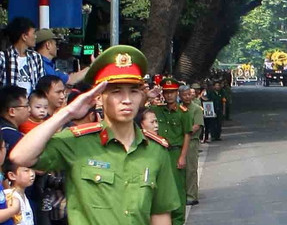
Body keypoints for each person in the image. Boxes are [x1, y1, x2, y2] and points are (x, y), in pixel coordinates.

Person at [9, 45, 179, 225]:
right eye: (116, 92)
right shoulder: (76, 142)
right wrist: (66, 113)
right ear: (98, 97)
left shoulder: (155, 149)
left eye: (134, 91)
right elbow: (20, 156)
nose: (127, 99)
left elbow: (160, 214)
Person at [150, 78, 192, 225]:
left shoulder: (183, 112)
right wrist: (149, 95)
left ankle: (178, 220)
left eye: (172, 92)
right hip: (160, 153)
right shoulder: (156, 110)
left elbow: (187, 134)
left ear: (177, 93)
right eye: (167, 92)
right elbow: (139, 113)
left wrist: (182, 157)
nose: (169, 96)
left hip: (175, 152)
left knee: (178, 188)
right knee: (159, 187)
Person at [0, 19, 44, 94]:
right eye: (33, 33)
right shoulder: (3, 57)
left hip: (32, 104)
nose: (35, 37)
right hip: (11, 103)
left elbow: (41, 84)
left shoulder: (36, 57)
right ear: (24, 36)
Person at [179, 86, 203, 206]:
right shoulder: (178, 109)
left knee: (191, 169)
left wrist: (185, 133)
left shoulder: (196, 109)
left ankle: (192, 195)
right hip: (179, 142)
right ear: (180, 96)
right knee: (180, 169)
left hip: (192, 142)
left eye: (189, 94)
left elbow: (197, 125)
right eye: (184, 95)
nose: (187, 97)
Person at [3, 159, 35, 225]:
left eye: (32, 169)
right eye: (26, 171)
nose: (32, 174)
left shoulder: (23, 195)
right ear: (12, 175)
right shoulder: (9, 197)